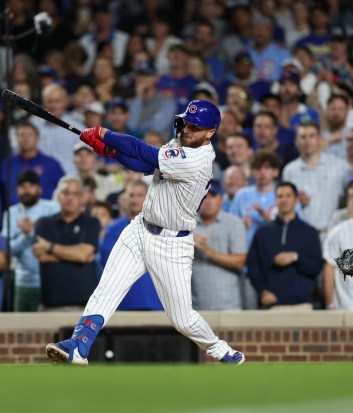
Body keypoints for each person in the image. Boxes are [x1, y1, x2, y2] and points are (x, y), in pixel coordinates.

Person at [46, 100, 245, 365]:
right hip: (140, 228)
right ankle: (78, 346)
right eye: (186, 122)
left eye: (195, 127)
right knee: (107, 289)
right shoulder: (181, 142)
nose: (187, 129)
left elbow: (145, 152)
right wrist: (109, 151)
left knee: (182, 319)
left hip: (172, 243)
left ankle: (221, 349)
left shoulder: (198, 159)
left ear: (210, 132)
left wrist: (106, 135)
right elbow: (145, 166)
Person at [247, 182, 324, 310]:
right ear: (275, 200)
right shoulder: (263, 232)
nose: (284, 200)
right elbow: (253, 266)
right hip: (271, 305)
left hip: (302, 305)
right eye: (280, 196)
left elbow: (316, 267)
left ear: (296, 200)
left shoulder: (310, 232)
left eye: (288, 196)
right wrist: (263, 291)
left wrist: (295, 258)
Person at [32, 176, 100, 310]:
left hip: (85, 306)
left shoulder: (91, 222)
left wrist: (50, 246)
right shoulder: (44, 223)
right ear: (58, 196)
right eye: (65, 193)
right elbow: (42, 256)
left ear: (82, 198)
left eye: (75, 194)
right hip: (50, 305)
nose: (70, 198)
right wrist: (76, 255)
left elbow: (82, 255)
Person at [2, 170, 60, 312]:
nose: (26, 190)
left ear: (39, 189)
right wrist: (26, 236)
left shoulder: (53, 208)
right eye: (22, 186)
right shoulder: (11, 213)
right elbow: (7, 249)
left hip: (51, 279)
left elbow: (59, 242)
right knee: (20, 329)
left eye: (31, 186)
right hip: (23, 282)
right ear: (17, 190)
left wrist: (33, 231)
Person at [101, 180, 162, 311]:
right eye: (131, 195)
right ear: (125, 199)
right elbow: (111, 262)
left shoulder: (164, 227)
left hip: (156, 299)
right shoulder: (113, 229)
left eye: (140, 195)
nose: (134, 200)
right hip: (124, 301)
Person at [192, 180, 247, 310]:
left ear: (221, 200)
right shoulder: (187, 224)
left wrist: (207, 251)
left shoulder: (234, 223)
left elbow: (239, 262)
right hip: (194, 306)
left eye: (213, 196)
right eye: (204, 196)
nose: (208, 201)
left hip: (228, 305)